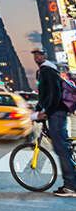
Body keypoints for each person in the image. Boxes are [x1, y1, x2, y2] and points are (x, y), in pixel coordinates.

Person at [33, 48, 76, 196]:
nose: (36, 57)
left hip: (56, 113)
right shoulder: (47, 70)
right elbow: (44, 95)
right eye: (35, 55)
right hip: (58, 111)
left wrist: (47, 111)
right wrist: (38, 108)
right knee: (63, 145)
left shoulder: (47, 71)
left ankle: (70, 186)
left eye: (39, 54)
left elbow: (53, 94)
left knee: (61, 149)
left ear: (44, 56)